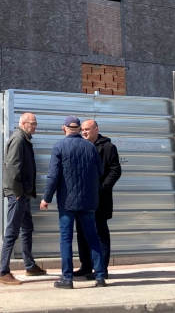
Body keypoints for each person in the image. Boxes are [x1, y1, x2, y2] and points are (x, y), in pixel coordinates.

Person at [39, 115, 106, 289]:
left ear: (64, 129)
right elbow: (100, 171)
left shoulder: (59, 147)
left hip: (67, 202)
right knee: (93, 237)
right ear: (79, 129)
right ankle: (100, 277)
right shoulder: (90, 147)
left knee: (66, 239)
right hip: (88, 201)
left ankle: (67, 279)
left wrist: (46, 198)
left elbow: (53, 176)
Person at [0, 112, 46, 284]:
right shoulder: (18, 139)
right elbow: (12, 168)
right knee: (12, 232)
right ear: (24, 123)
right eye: (33, 124)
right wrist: (18, 193)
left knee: (27, 228)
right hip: (17, 195)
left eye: (35, 124)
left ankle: (30, 266)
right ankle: (3, 272)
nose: (35, 127)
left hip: (23, 194)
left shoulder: (24, 139)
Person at [76, 119, 122, 279]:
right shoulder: (80, 146)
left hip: (100, 199)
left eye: (87, 129)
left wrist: (102, 188)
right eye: (82, 130)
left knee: (100, 233)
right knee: (82, 232)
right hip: (82, 198)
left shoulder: (108, 147)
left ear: (96, 129)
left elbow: (115, 171)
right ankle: (86, 266)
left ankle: (101, 269)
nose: (84, 132)